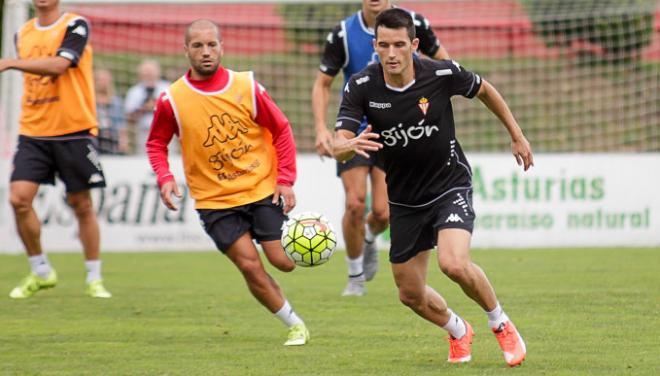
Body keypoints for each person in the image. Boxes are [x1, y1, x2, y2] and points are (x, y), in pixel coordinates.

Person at [333, 9, 533, 366]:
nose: (391, 53)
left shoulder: (441, 73)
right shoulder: (362, 85)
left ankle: (500, 322)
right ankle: (458, 330)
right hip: (405, 199)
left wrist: (516, 135)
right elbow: (340, 139)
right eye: (383, 45)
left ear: (414, 45)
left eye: (398, 45)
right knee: (409, 293)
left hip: (448, 184)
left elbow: (485, 89)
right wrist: (346, 145)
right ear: (374, 46)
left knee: (453, 263)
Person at [147, 19, 309, 346]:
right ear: (186, 51)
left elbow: (281, 129)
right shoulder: (172, 99)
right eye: (197, 46)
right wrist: (164, 177)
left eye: (211, 45)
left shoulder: (246, 86)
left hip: (261, 189)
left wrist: (285, 180)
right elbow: (156, 143)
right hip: (215, 201)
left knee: (284, 262)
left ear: (222, 47)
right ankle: (294, 324)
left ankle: (313, 234)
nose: (205, 52)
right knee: (250, 265)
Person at [312, 0, 450, 296]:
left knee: (382, 213)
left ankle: (369, 237)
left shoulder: (414, 23)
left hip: (398, 130)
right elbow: (323, 83)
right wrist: (322, 128)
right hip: (357, 132)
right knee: (355, 202)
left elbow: (444, 63)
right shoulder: (343, 34)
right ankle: (355, 276)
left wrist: (431, 112)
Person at [0, 0, 111, 299]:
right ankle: (41, 271)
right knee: (18, 199)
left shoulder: (75, 25)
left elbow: (60, 65)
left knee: (81, 204)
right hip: (33, 131)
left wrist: (11, 62)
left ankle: (94, 278)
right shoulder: (22, 33)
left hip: (73, 131)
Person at [124, 59, 168, 154]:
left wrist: (157, 107)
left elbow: (175, 112)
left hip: (166, 133)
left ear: (158, 72)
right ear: (140, 74)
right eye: (146, 72)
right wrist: (143, 109)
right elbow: (128, 117)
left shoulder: (167, 88)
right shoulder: (134, 91)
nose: (149, 75)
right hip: (143, 133)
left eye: (151, 72)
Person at [95, 68, 126, 154]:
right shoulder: (90, 101)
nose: (103, 83)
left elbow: (121, 124)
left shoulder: (116, 101)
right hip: (96, 137)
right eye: (101, 80)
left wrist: (123, 141)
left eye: (106, 80)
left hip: (112, 138)